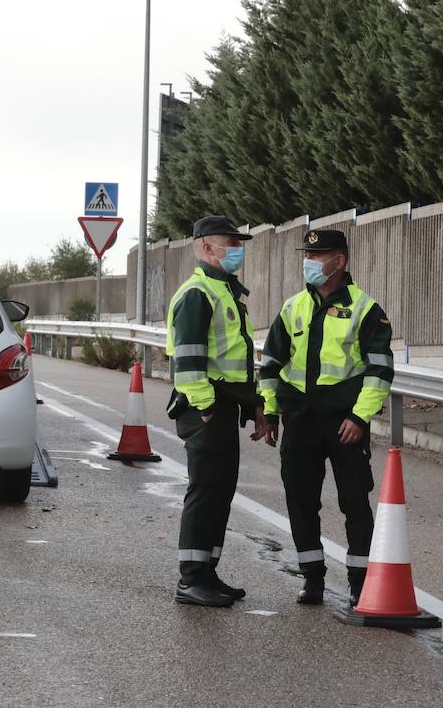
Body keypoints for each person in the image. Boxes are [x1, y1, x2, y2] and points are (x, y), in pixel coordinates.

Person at [259, 229, 393, 606]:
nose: (309, 262)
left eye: (318, 256)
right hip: (300, 420)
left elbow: (380, 371)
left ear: (340, 261)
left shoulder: (366, 309)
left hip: (344, 422)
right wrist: (270, 411)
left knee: (354, 500)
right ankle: (312, 578)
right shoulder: (292, 308)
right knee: (300, 499)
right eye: (307, 255)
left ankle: (359, 581)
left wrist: (360, 418)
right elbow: (270, 365)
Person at [164, 215, 273, 607]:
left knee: (219, 494)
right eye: (232, 242)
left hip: (224, 409)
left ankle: (207, 573)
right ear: (207, 247)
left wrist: (256, 404)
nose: (238, 249)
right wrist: (209, 410)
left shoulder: (224, 291)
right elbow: (189, 366)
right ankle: (191, 579)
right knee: (205, 492)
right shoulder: (198, 294)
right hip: (204, 411)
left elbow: (235, 359)